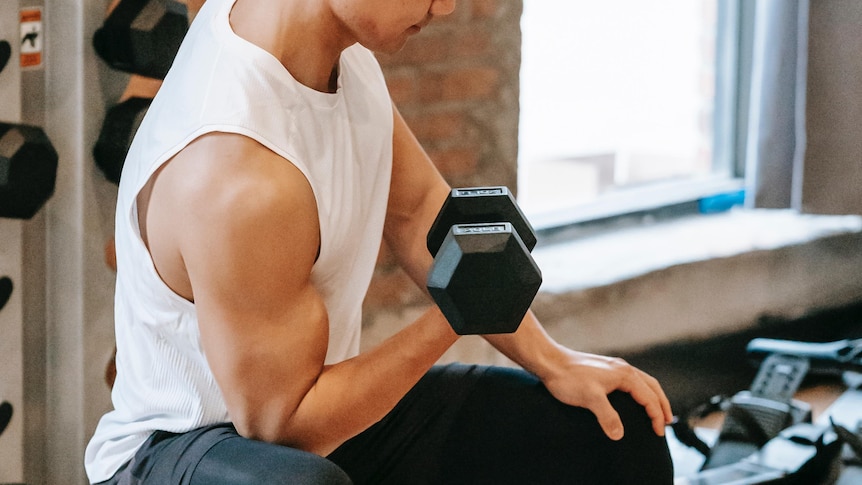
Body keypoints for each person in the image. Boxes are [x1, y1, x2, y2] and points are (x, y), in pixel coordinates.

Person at [85, 0, 676, 483]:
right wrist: (454, 316)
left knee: (609, 431)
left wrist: (556, 361)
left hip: (313, 419)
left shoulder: (332, 50)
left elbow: (419, 213)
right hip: (185, 452)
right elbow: (283, 427)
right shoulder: (240, 174)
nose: (445, 7)